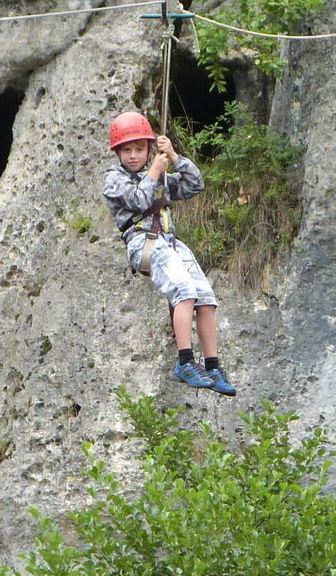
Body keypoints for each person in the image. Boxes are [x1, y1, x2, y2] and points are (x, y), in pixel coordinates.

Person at [101, 110, 236, 396]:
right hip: (143, 242)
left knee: (206, 298)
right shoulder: (114, 178)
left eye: (139, 149)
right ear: (118, 153)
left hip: (170, 242)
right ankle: (185, 361)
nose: (134, 155)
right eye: (127, 150)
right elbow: (138, 201)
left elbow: (194, 184)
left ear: (149, 149)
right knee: (184, 290)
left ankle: (212, 365)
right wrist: (154, 171)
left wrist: (174, 156)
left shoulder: (161, 175)